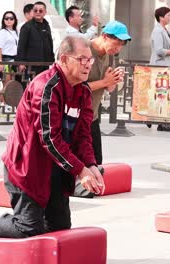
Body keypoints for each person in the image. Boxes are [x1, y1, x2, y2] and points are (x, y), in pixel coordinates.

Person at [0, 35, 105, 258]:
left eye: (90, 60)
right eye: (82, 59)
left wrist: (91, 164)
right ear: (64, 59)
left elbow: (83, 135)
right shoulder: (47, 86)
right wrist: (80, 170)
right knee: (28, 228)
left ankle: (23, 235)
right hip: (28, 166)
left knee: (60, 227)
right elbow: (49, 138)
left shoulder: (83, 92)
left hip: (57, 167)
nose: (87, 65)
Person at [73, 21, 130, 197]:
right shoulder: (84, 51)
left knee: (96, 160)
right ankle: (76, 187)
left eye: (121, 45)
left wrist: (112, 81)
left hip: (93, 115)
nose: (118, 49)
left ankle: (87, 187)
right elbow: (75, 87)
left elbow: (107, 88)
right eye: (116, 44)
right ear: (105, 36)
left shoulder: (107, 54)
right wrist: (104, 82)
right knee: (77, 156)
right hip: (75, 115)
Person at [148, 6, 170, 132]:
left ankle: (155, 120)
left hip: (165, 66)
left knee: (162, 94)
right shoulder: (158, 31)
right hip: (160, 66)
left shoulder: (164, 30)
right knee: (161, 94)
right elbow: (159, 51)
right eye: (168, 15)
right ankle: (158, 121)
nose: (169, 18)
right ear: (161, 17)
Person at [16, 1, 54, 76]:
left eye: (40, 10)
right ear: (33, 12)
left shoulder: (47, 25)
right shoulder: (27, 27)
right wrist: (21, 62)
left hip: (45, 64)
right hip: (31, 65)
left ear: (45, 12)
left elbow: (50, 43)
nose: (38, 12)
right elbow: (21, 46)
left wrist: (51, 60)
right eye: (35, 10)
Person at [0, 11, 19, 77]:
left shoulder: (16, 32)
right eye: (6, 18)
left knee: (13, 84)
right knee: (7, 85)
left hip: (15, 60)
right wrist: (0, 62)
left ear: (14, 20)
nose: (9, 20)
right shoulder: (2, 32)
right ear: (3, 20)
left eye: (11, 18)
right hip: (6, 60)